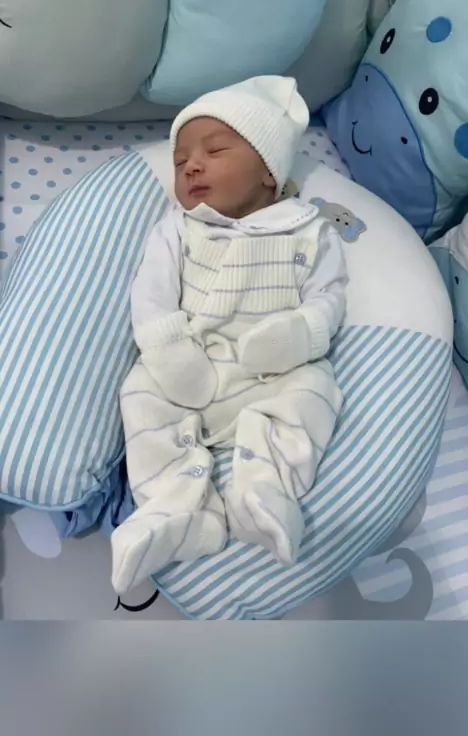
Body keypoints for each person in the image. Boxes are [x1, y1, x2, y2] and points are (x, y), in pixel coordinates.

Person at [111, 75, 347, 595]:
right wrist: (169, 350)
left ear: (268, 170)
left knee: (315, 391)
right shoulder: (178, 227)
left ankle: (262, 492)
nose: (191, 166)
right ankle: (178, 511)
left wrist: (301, 334)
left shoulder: (308, 229)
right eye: (180, 162)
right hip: (191, 360)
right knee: (140, 396)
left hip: (272, 371)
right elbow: (150, 293)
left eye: (215, 151)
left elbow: (328, 297)